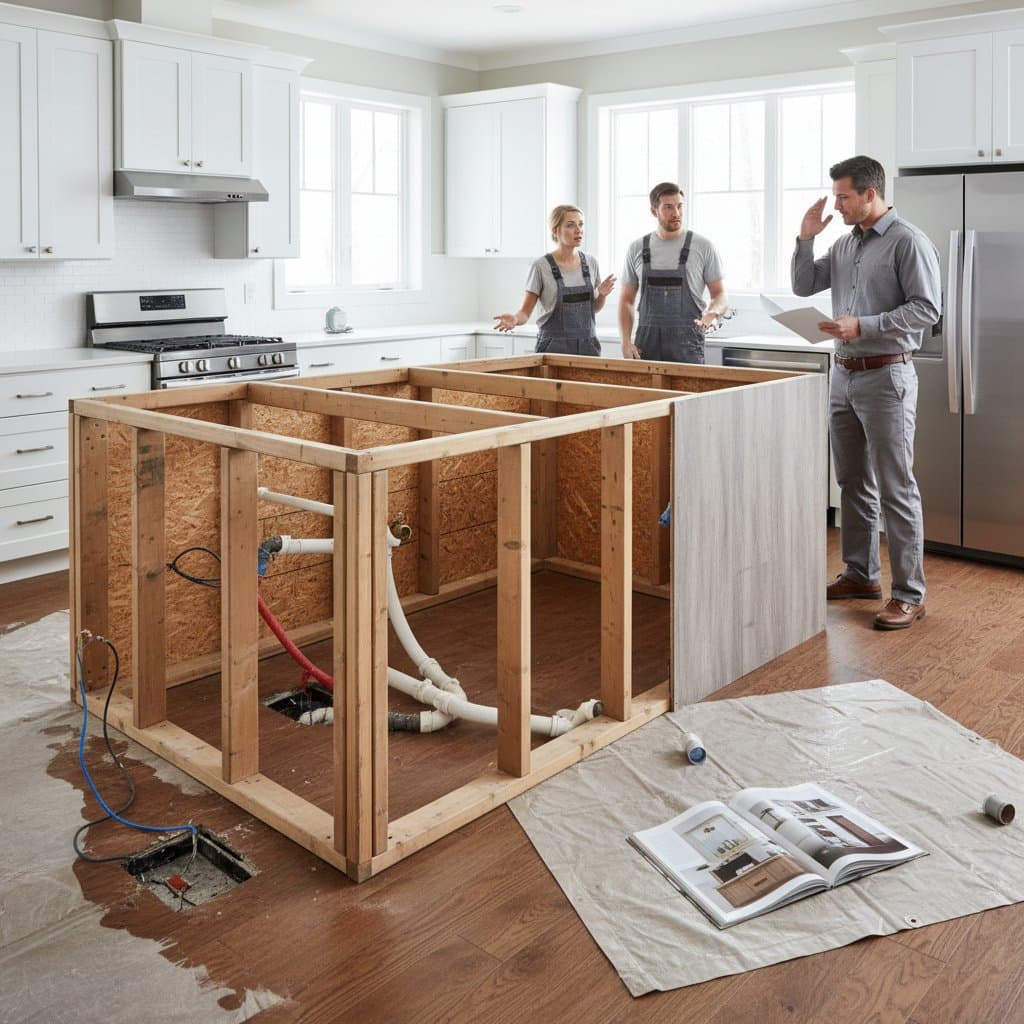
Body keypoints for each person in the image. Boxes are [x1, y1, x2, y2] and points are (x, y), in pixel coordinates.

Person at [792, 154, 941, 631]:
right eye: (835, 195)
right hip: (844, 375)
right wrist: (805, 238)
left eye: (844, 196)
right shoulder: (843, 244)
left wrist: (864, 325)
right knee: (852, 482)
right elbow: (801, 286)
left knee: (897, 487)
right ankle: (860, 574)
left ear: (870, 194)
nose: (837, 203)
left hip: (887, 377)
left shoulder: (907, 242)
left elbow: (927, 310)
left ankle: (909, 594)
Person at [618, 182, 728, 363]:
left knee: (690, 392)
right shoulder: (637, 248)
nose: (676, 213)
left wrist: (712, 313)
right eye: (668, 207)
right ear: (654, 211)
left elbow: (720, 294)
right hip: (646, 344)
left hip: (687, 344)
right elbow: (626, 300)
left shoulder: (703, 246)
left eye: (679, 206)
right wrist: (625, 342)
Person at [492, 205, 616, 355]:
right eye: (571, 225)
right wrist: (515, 319)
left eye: (581, 224)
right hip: (553, 348)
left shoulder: (591, 263)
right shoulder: (541, 267)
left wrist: (601, 295)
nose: (578, 230)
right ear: (555, 230)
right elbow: (525, 312)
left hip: (588, 347)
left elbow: (593, 309)